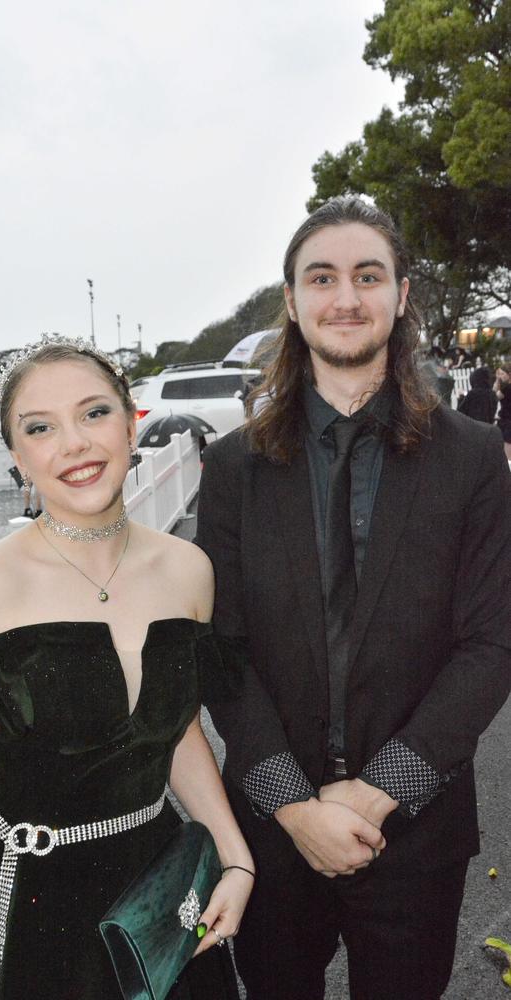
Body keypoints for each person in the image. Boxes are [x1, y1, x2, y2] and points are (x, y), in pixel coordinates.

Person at [0, 335, 254, 1000]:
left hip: (151, 893)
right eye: (40, 427)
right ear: (16, 455)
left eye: (94, 413)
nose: (74, 444)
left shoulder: (189, 570)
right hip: (23, 905)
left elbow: (173, 729)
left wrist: (235, 856)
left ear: (132, 423)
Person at [196, 197, 511, 1000]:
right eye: (322, 278)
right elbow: (221, 652)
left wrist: (378, 793)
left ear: (402, 295)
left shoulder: (471, 458)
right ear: (294, 301)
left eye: (367, 276)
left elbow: (491, 644)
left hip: (415, 829)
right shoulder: (235, 468)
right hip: (271, 829)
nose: (345, 298)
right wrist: (296, 810)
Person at [494, 364, 511, 460]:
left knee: (506, 454)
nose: (500, 376)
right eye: (499, 374)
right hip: (506, 420)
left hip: (507, 421)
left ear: (509, 374)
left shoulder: (506, 388)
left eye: (502, 374)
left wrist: (497, 381)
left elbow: (494, 396)